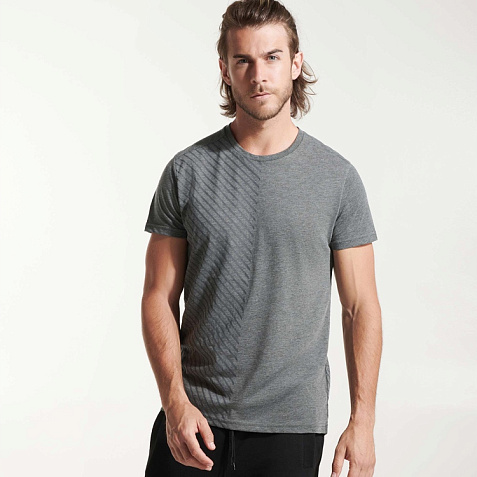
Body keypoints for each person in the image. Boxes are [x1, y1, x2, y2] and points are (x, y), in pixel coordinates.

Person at [141, 0, 382, 475]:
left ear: (295, 63)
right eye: (243, 60)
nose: (259, 75)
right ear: (225, 70)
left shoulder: (337, 179)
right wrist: (174, 403)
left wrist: (364, 421)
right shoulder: (187, 172)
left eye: (272, 57)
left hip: (290, 428)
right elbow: (157, 296)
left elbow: (360, 308)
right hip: (194, 419)